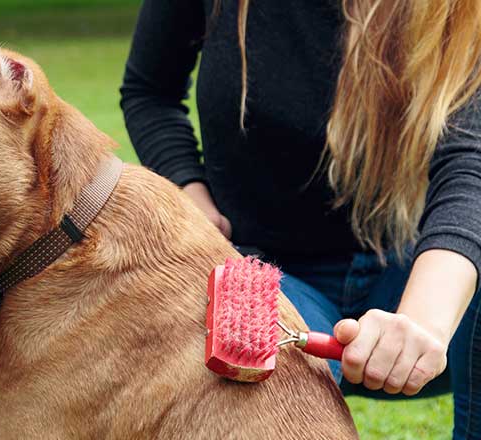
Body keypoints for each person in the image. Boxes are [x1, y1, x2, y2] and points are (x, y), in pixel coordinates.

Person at [120, 0, 481, 437]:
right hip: (266, 270)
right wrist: (188, 190)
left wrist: (422, 322)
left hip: (414, 270)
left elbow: (469, 161)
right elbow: (150, 89)